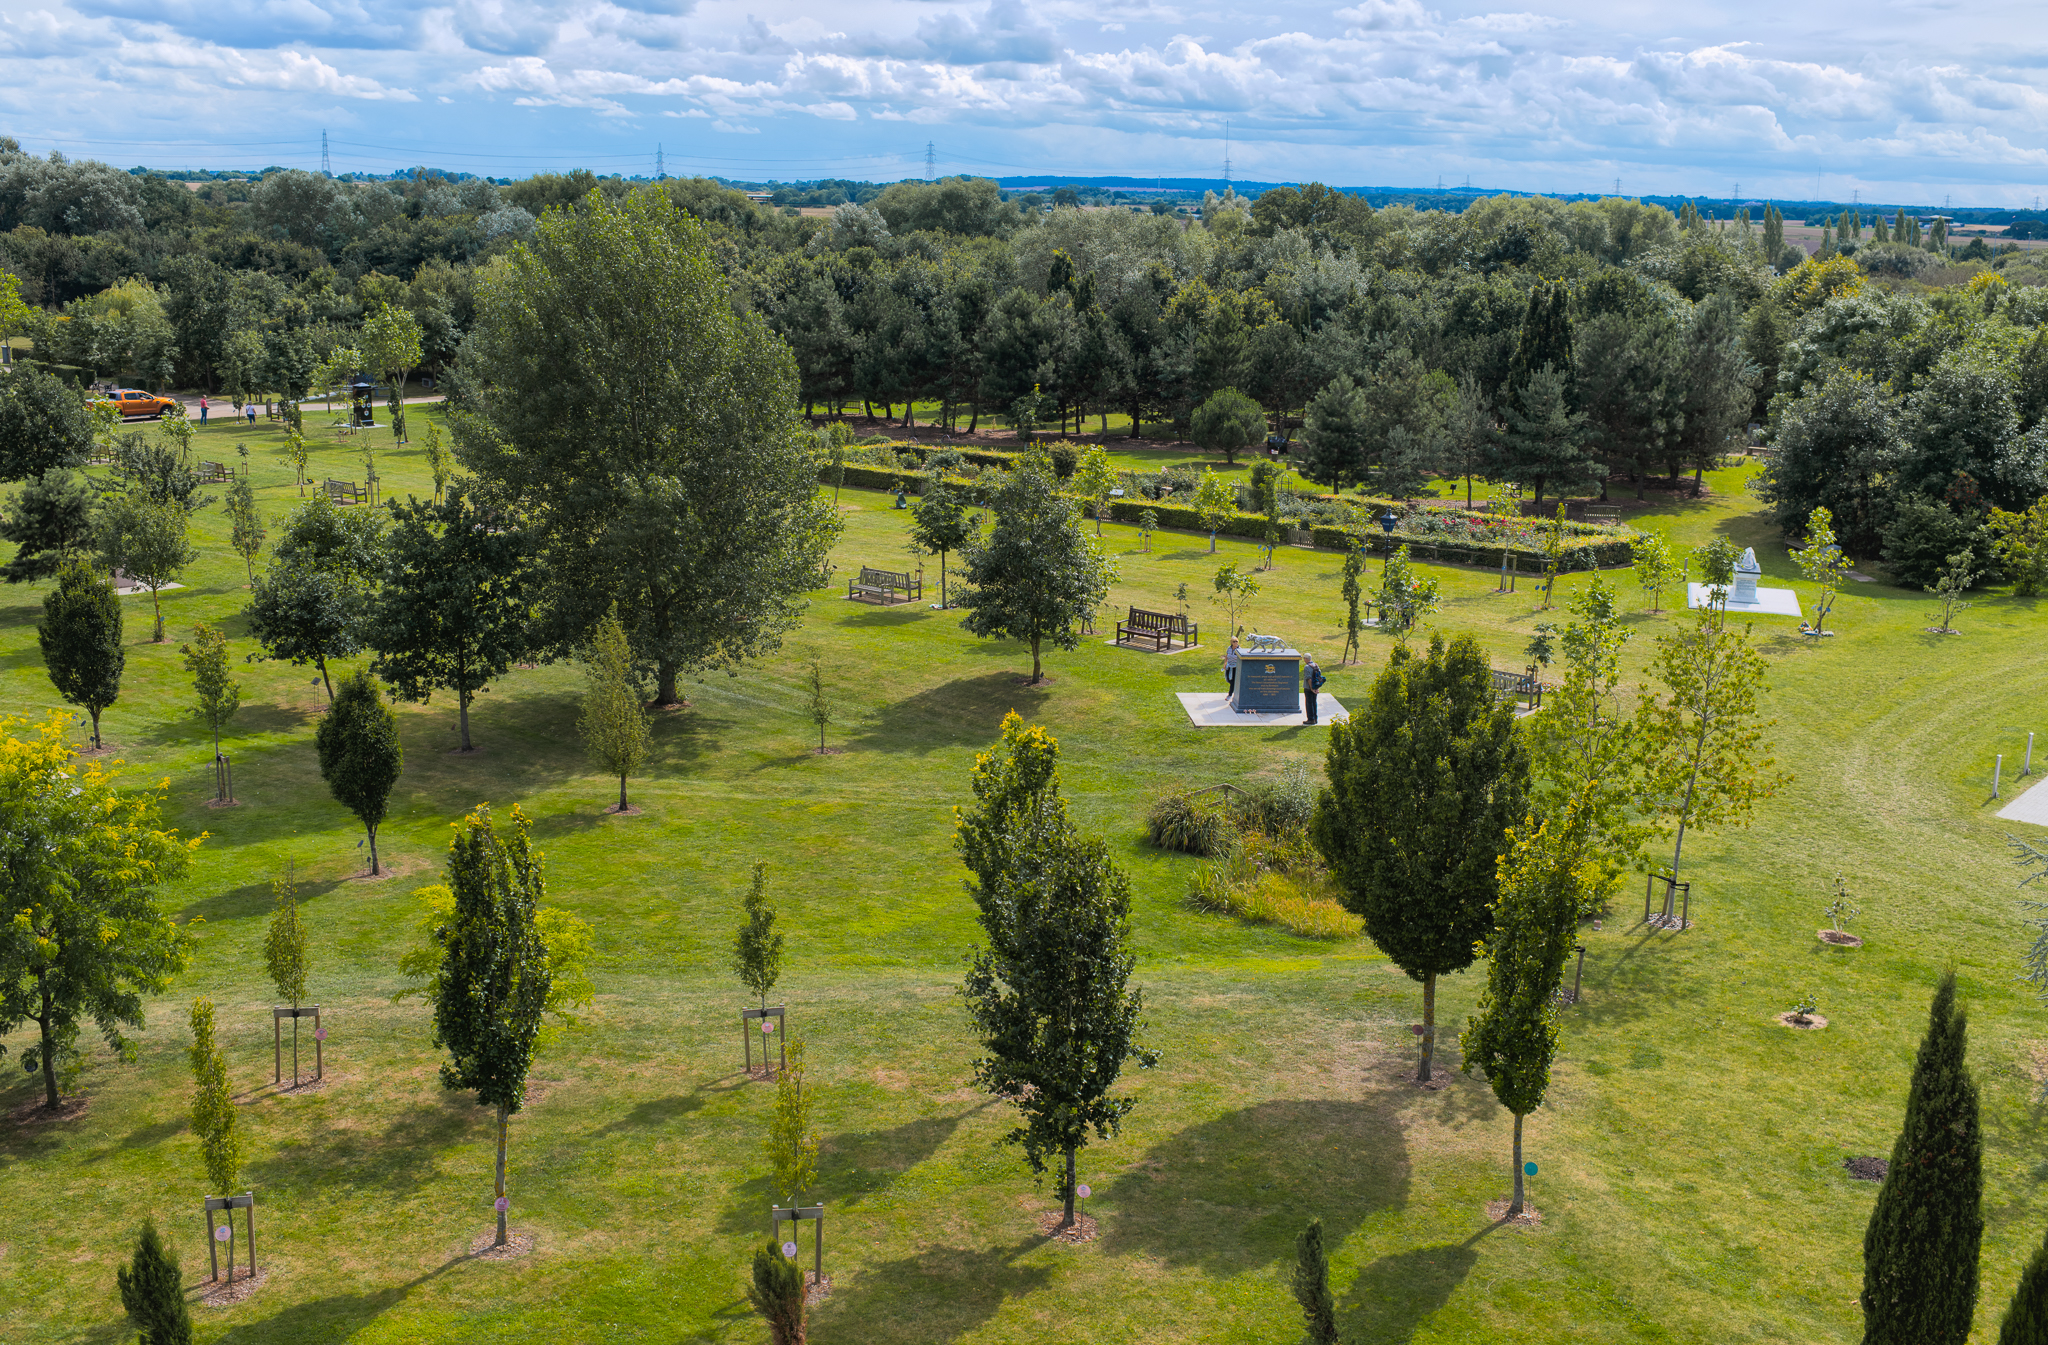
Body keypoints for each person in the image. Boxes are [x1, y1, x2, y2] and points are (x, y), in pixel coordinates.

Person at [1303, 654, 1326, 725]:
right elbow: (1319, 678)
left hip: (1308, 688)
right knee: (1314, 703)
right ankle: (1315, 718)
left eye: (1304, 658)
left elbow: (1309, 679)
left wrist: (1311, 688)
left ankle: (1310, 719)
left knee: (1309, 704)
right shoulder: (1316, 665)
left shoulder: (1307, 667)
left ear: (1306, 659)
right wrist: (1316, 688)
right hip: (1315, 687)